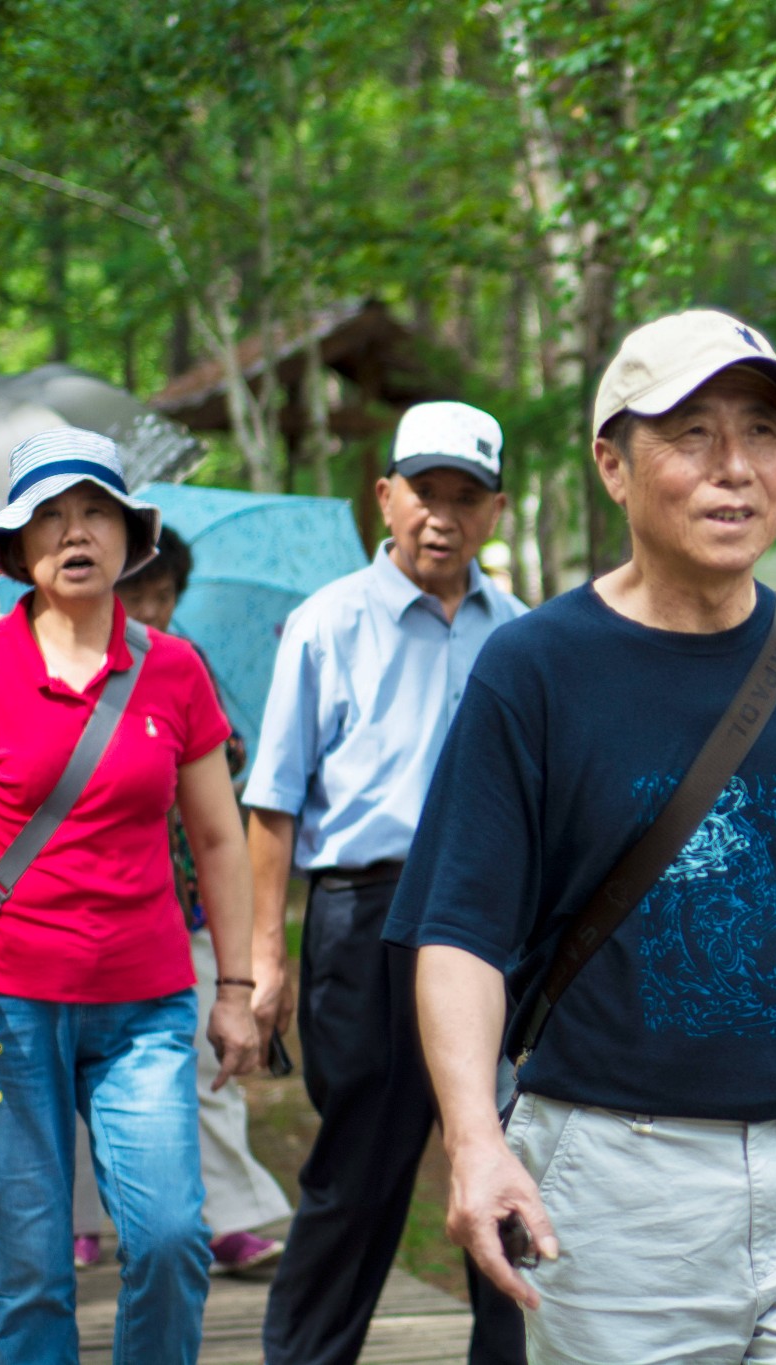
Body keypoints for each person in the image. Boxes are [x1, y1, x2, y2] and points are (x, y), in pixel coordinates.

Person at [388, 310, 776, 1362]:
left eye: (762, 431)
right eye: (689, 436)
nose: (735, 470)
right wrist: (474, 1141)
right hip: (619, 1182)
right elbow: (459, 932)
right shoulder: (535, 669)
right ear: (613, 465)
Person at [0, 427, 264, 1364]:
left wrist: (237, 988)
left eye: (94, 508)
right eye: (48, 516)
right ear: (15, 549)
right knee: (31, 1269)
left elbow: (219, 836)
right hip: (3, 1008)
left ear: (129, 533)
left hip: (143, 1008)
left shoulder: (172, 668)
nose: (74, 531)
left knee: (172, 1236)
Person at [244, 401, 528, 1365]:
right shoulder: (326, 624)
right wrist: (261, 965)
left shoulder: (523, 637)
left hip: (496, 917)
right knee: (360, 1162)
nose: (441, 516)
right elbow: (272, 805)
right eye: (424, 493)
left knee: (508, 1149)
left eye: (465, 496)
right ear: (386, 496)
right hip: (363, 917)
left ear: (495, 511)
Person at [93, 527, 293, 1275]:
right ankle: (87, 1222)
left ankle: (228, 1216)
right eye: (140, 593)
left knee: (212, 1062)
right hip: (103, 912)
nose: (155, 607)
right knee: (87, 1074)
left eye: (166, 594)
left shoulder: (185, 663)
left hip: (191, 904)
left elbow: (229, 761)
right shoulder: (79, 659)